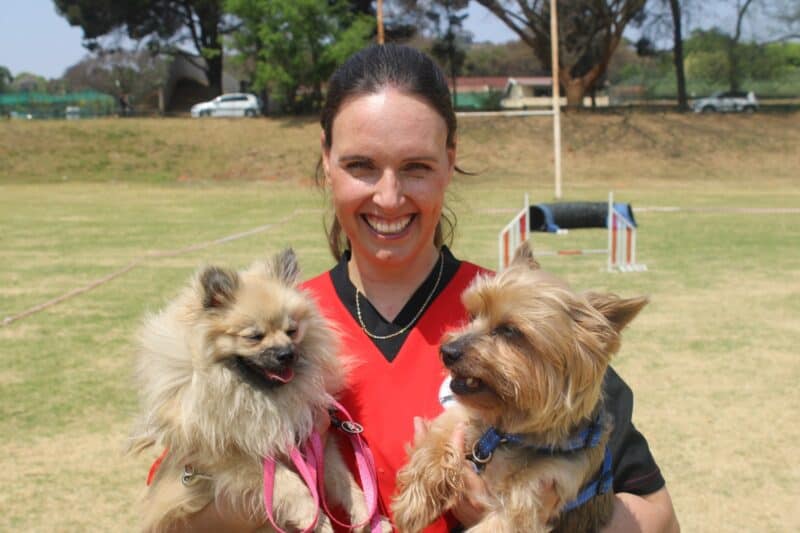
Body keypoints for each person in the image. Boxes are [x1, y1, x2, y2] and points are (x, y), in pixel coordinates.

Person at [172, 44, 679, 532]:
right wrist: (275, 492)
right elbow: (174, 512)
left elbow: (658, 519)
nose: (389, 197)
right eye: (361, 165)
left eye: (415, 167)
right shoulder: (271, 329)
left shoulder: (531, 325)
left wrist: (504, 516)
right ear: (326, 160)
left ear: (450, 159)